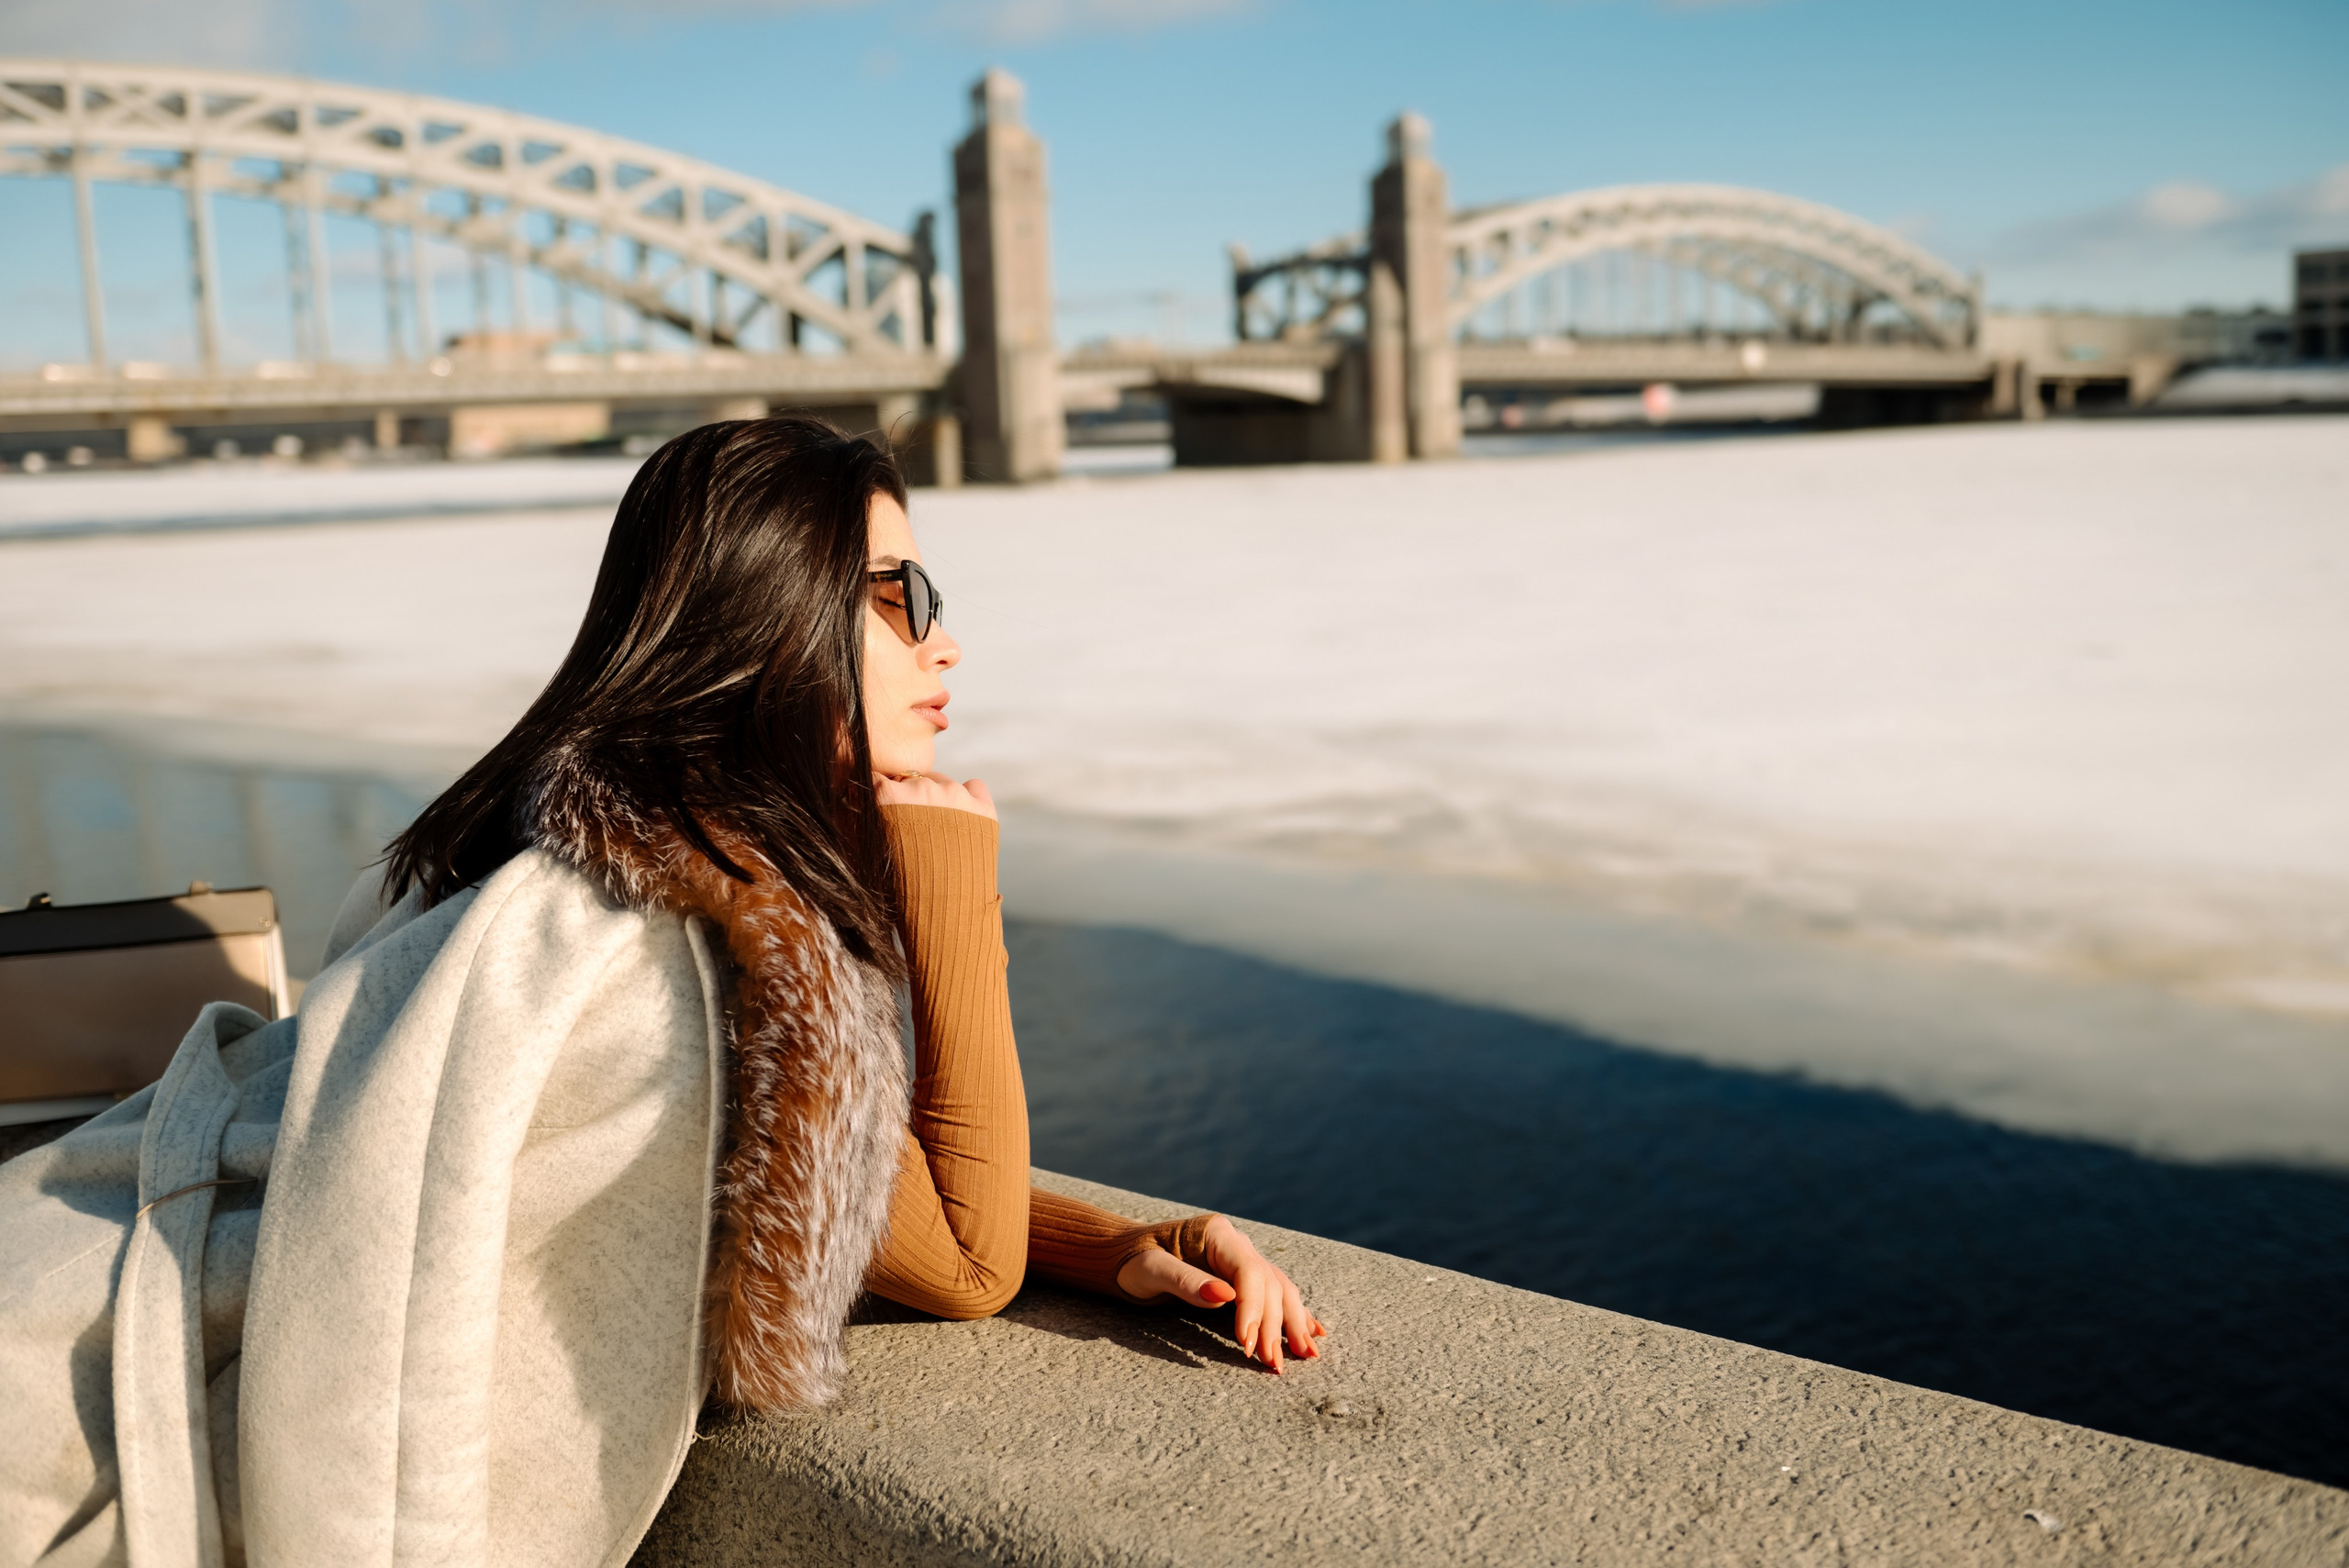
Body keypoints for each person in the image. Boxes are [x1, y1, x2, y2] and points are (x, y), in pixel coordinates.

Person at [0, 415, 1321, 1568]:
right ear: (778, 612)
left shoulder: (556, 835)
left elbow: (809, 1175)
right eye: (900, 594)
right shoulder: (730, 940)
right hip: (91, 1404)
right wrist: (947, 872)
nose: (947, 641)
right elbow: (965, 1264)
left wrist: (1114, 1245)